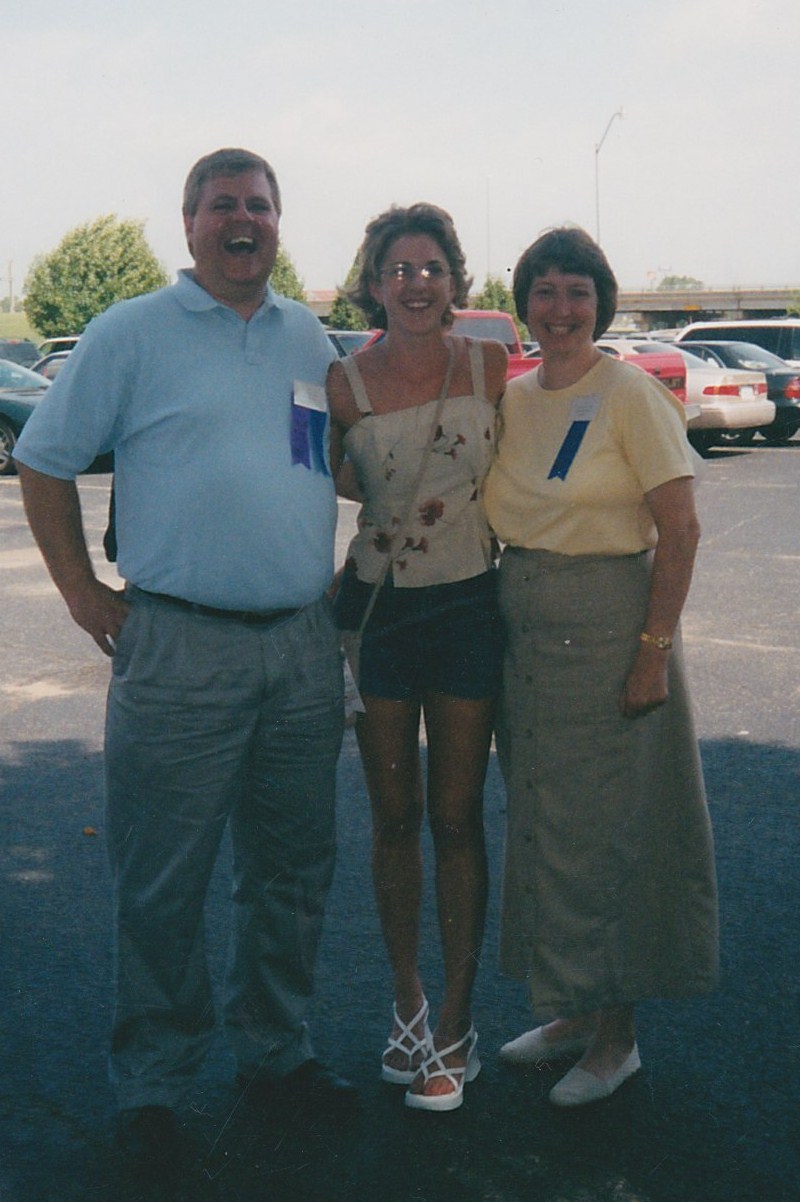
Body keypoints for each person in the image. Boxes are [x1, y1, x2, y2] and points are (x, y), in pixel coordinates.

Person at [14, 148, 357, 1159]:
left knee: (291, 870)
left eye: (260, 205)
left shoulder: (307, 336)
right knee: (162, 880)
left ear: (279, 223)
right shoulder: (130, 333)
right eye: (222, 205)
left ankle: (276, 1051)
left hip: (301, 648)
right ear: (190, 222)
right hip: (178, 648)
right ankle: (155, 1083)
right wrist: (81, 591)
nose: (242, 220)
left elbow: (328, 462)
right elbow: (42, 460)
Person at [482, 226, 718, 1107]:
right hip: (525, 628)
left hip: (611, 625)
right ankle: (574, 1009)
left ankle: (617, 1042)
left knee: (609, 831)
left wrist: (652, 654)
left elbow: (681, 529)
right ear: (524, 305)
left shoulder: (628, 394)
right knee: (547, 822)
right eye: (544, 291)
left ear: (602, 303)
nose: (560, 309)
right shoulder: (517, 397)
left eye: (577, 292)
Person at [327, 203, 507, 1111]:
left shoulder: (489, 365)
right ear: (374, 283)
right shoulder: (342, 384)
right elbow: (319, 484)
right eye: (398, 269)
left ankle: (459, 1023)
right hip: (379, 615)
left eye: (432, 267)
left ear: (455, 279)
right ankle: (407, 1005)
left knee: (459, 819)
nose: (416, 283)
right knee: (394, 819)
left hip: (470, 606)